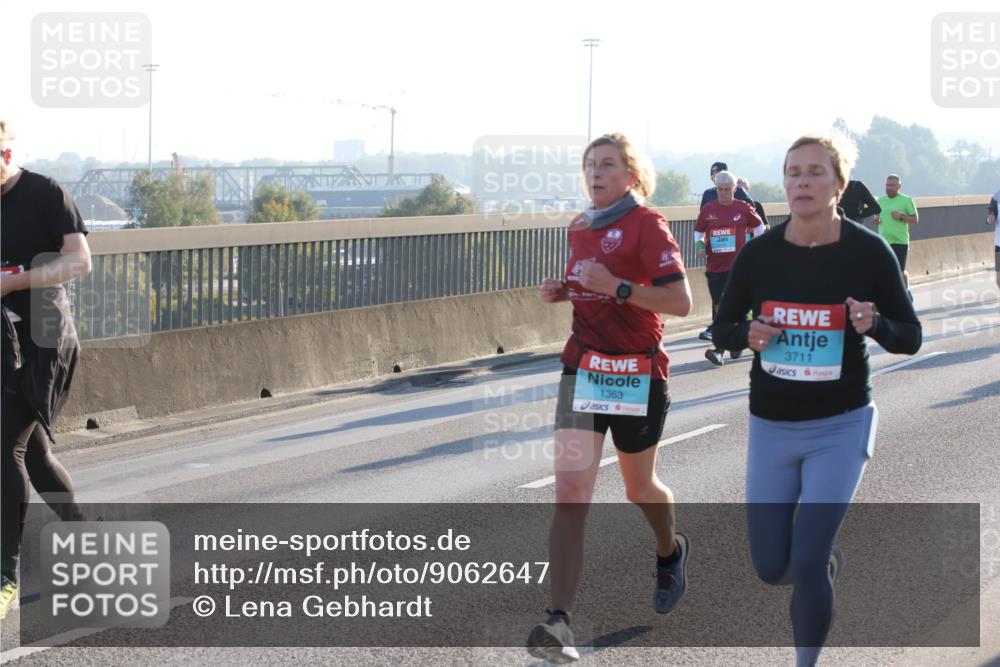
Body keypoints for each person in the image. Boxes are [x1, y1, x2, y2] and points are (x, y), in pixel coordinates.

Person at [712, 132, 921, 666]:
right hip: (772, 427)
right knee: (770, 565)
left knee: (803, 560)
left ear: (839, 185)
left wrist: (873, 323)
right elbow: (722, 327)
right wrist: (745, 336)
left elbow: (911, 334)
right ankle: (821, 565)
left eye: (814, 172)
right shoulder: (759, 254)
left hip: (841, 426)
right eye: (792, 173)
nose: (801, 182)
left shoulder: (868, 252)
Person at [528, 132, 693, 663]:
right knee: (571, 495)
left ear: (632, 175)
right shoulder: (579, 227)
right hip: (584, 370)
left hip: (639, 374)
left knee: (639, 488)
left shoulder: (648, 225)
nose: (595, 173)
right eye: (589, 165)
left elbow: (681, 301)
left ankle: (670, 551)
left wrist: (616, 287)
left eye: (607, 165)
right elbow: (590, 286)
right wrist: (565, 291)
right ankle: (559, 622)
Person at [1, 120, 92, 619]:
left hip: (42, 341)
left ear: (6, 151)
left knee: (4, 447)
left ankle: (4, 574)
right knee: (32, 457)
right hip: (2, 344)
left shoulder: (45, 192)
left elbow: (80, 262)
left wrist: (16, 283)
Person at [695, 171, 765, 366]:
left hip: (737, 267)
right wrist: (700, 246)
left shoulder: (743, 207)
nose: (723, 193)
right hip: (715, 266)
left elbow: (760, 226)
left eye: (727, 189)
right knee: (719, 307)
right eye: (720, 189)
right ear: (715, 188)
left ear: (735, 189)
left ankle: (719, 350)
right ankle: (735, 342)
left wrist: (754, 248)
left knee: (728, 307)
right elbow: (698, 231)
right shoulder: (708, 209)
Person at [876, 174, 918, 286]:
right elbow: (876, 216)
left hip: (900, 241)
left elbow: (915, 219)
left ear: (899, 186)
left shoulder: (907, 200)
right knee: (884, 272)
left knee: (899, 271)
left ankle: (905, 294)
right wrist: (876, 218)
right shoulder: (880, 200)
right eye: (887, 185)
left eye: (892, 185)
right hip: (883, 241)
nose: (889, 188)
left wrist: (901, 216)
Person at [988, 188, 999, 291]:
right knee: (999, 280)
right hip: (999, 243)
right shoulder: (996, 196)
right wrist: (990, 218)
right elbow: (990, 214)